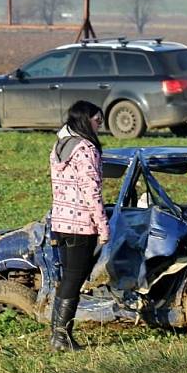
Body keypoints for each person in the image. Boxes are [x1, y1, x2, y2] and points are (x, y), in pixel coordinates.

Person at [49, 100, 110, 351]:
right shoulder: (85, 149)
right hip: (81, 225)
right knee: (74, 280)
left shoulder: (59, 146)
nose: (100, 125)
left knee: (68, 279)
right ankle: (61, 337)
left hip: (60, 222)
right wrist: (103, 226)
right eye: (98, 120)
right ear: (86, 120)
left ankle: (58, 335)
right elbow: (91, 191)